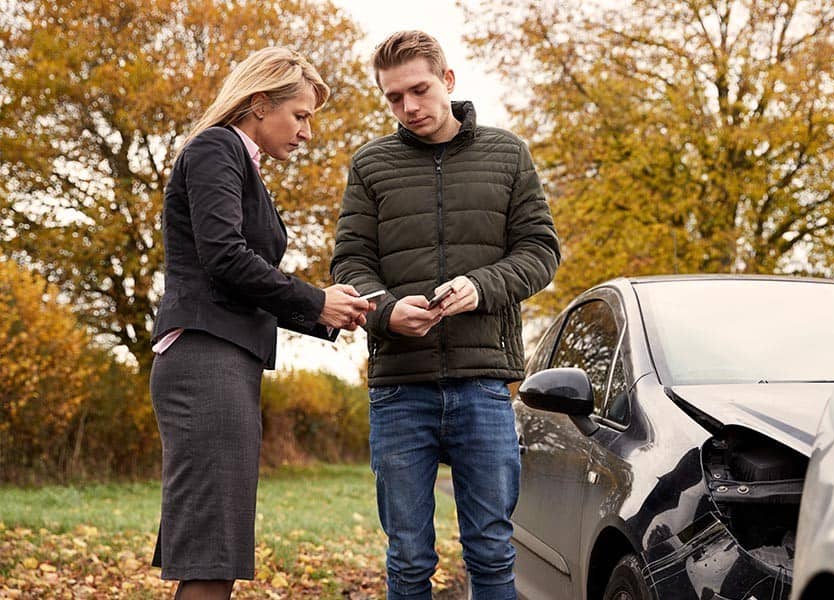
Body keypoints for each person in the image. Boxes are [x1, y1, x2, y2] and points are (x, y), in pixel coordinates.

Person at [332, 30, 561, 600]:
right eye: (393, 97)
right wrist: (385, 311)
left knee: (490, 550)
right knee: (408, 558)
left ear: (448, 81)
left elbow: (540, 251)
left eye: (419, 89)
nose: (409, 107)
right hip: (398, 390)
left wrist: (482, 287)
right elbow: (350, 262)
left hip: (483, 386)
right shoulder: (371, 165)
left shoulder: (508, 154)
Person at [149, 47, 374, 600]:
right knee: (211, 550)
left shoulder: (239, 163)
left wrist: (327, 313)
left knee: (215, 545)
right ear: (257, 103)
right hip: (205, 358)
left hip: (226, 358)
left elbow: (244, 278)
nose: (306, 133)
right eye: (299, 116)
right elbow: (225, 258)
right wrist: (315, 300)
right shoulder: (216, 148)